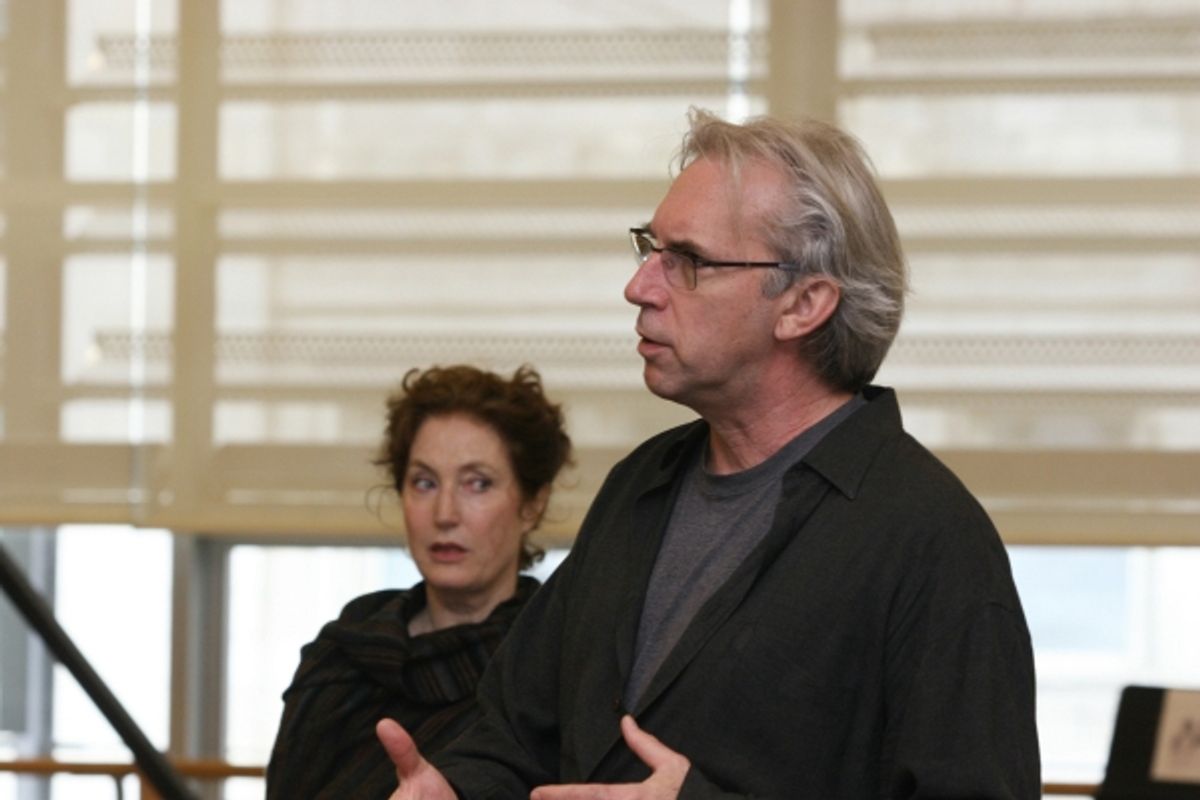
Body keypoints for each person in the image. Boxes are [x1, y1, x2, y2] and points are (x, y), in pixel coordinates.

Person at [374, 108, 1041, 798]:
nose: (640, 288)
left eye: (687, 261)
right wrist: (456, 789)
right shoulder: (643, 483)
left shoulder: (928, 538)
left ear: (803, 304)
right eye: (650, 249)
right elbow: (515, 734)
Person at [265, 364, 572, 799]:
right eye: (424, 482)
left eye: (477, 484)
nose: (445, 513)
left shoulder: (553, 669)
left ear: (531, 505)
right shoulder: (338, 659)